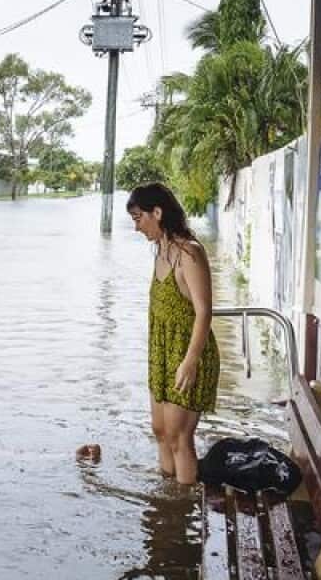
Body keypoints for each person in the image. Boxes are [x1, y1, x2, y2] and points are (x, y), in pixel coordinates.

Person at [127, 182, 220, 485]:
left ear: (158, 212)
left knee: (180, 436)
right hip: (163, 354)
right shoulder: (161, 251)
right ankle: (166, 501)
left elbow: (204, 311)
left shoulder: (188, 253)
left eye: (139, 218)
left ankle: (183, 510)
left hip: (187, 354)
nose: (137, 227)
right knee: (160, 430)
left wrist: (190, 361)